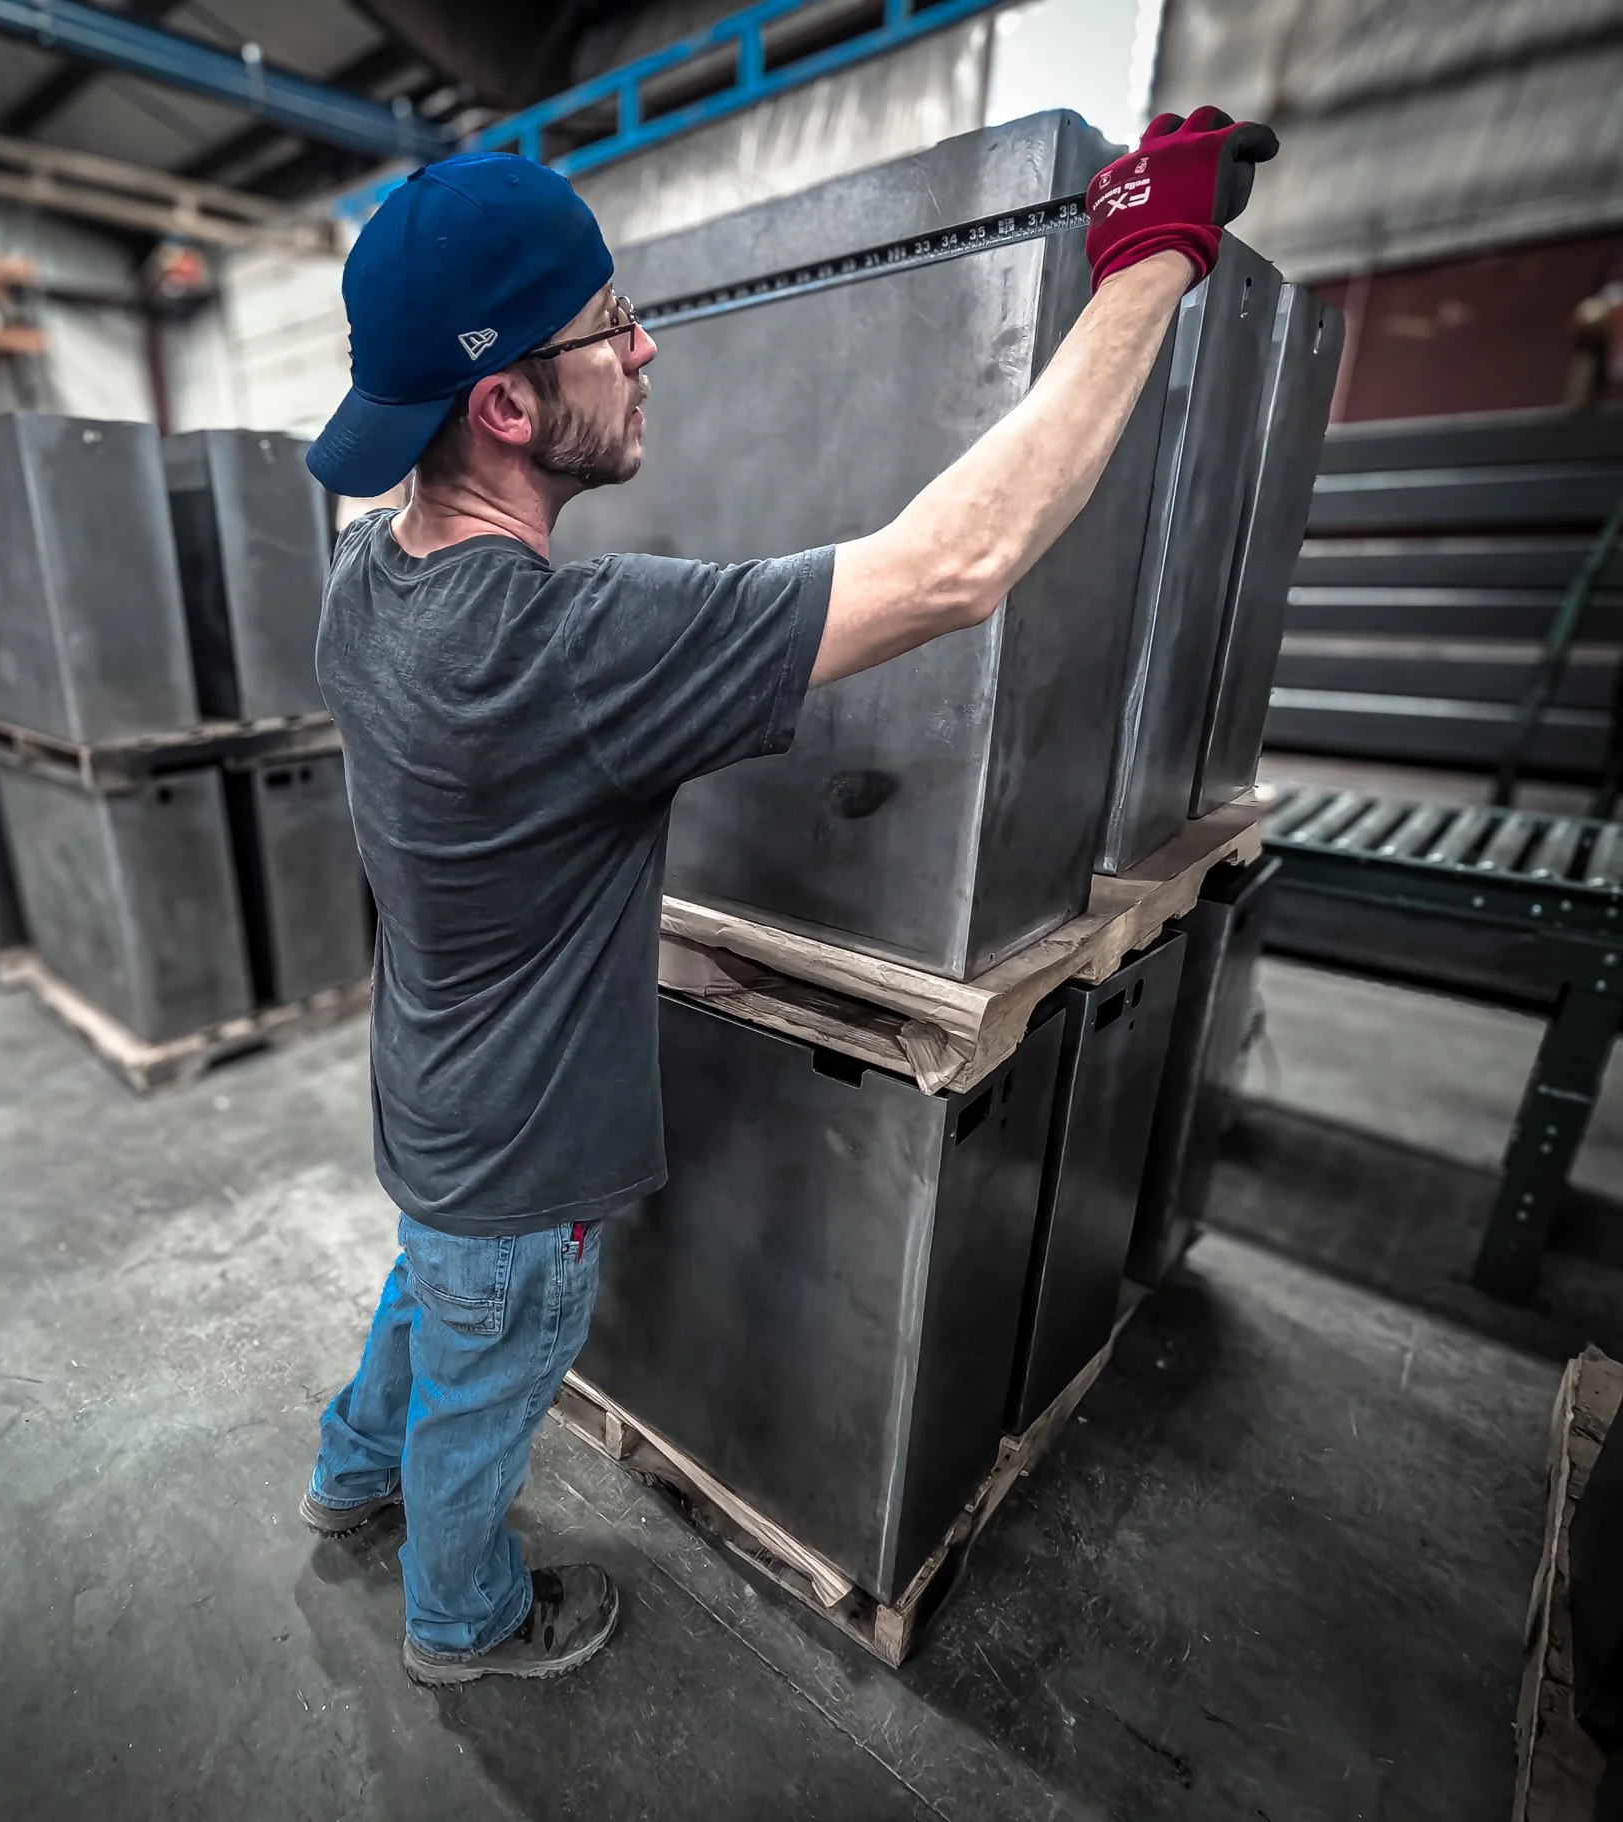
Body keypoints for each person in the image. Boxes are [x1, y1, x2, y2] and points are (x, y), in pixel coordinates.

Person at [299, 108, 1278, 1686]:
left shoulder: (368, 578)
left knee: (426, 1300)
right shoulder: (563, 653)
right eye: (612, 325)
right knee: (484, 1392)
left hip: (430, 1110)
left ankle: (348, 1471)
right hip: (525, 1171)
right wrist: (1149, 260)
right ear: (504, 403)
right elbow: (955, 566)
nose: (648, 349)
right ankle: (459, 1617)